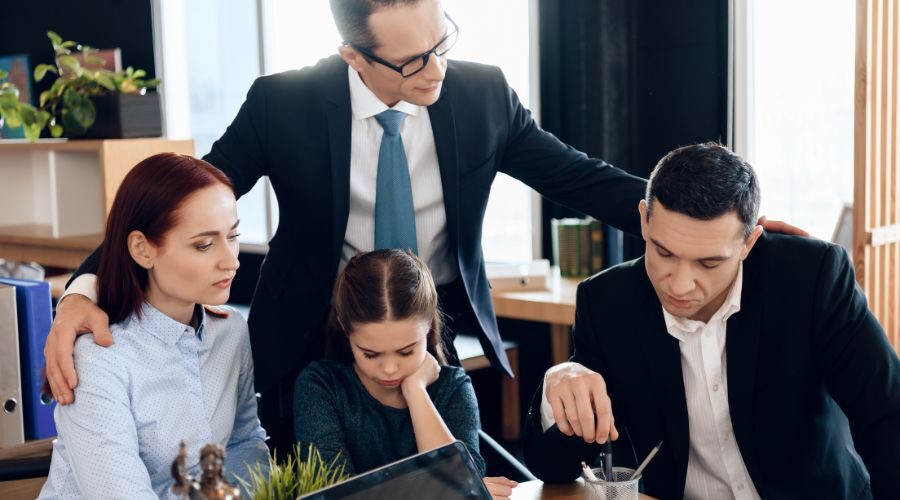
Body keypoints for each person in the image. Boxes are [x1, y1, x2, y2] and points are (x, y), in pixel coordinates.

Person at [44, 0, 801, 452]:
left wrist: (722, 225)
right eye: (410, 62)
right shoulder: (286, 103)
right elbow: (183, 198)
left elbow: (580, 177)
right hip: (311, 333)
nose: (434, 69)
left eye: (443, 40)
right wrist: (87, 285)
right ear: (352, 54)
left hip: (431, 326)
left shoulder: (480, 94)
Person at [523, 143, 900, 499]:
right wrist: (556, 388)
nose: (680, 284)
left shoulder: (811, 279)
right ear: (643, 220)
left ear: (749, 243)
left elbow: (887, 415)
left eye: (709, 263)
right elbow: (552, 468)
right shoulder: (607, 302)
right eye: (664, 252)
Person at [38, 154, 268, 499]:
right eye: (204, 244)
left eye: (233, 235)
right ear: (143, 250)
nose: (231, 259)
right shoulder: (100, 360)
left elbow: (244, 442)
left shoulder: (231, 331)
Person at [294, 249, 517, 499]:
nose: (390, 369)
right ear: (345, 329)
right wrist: (438, 492)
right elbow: (339, 495)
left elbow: (465, 489)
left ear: (428, 326)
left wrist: (416, 390)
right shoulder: (321, 387)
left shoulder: (453, 387)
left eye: (406, 352)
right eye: (371, 354)